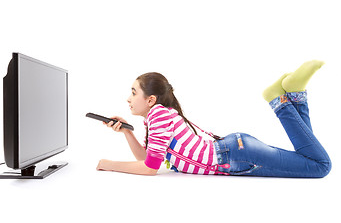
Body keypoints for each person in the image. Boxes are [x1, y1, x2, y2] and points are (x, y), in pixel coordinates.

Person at [96, 60, 332, 178]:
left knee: (320, 166)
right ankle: (293, 95)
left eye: (134, 92)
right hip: (237, 152)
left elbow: (150, 169)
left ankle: (280, 101)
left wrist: (109, 164)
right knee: (309, 159)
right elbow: (149, 158)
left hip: (237, 155)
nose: (128, 99)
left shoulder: (158, 115)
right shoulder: (156, 117)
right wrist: (127, 132)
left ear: (151, 100)